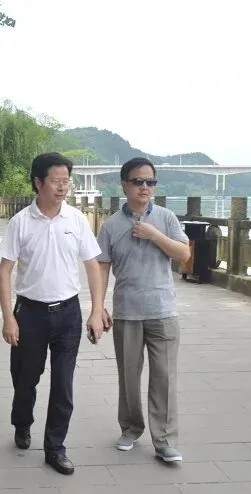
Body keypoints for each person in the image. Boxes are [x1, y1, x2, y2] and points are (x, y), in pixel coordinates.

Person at [0, 153, 106, 475]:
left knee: (63, 385)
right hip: (29, 313)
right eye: (56, 181)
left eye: (66, 181)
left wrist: (97, 309)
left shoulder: (76, 220)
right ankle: (22, 423)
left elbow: (92, 265)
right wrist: (8, 317)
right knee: (25, 379)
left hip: (68, 314)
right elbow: (5, 271)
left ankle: (55, 448)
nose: (62, 187)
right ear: (38, 182)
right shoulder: (21, 222)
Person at [96, 158, 191, 463]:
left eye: (150, 182)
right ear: (124, 185)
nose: (145, 187)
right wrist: (97, 307)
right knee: (128, 377)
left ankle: (165, 440)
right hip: (127, 311)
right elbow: (101, 267)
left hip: (163, 309)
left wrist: (154, 235)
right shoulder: (111, 226)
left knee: (164, 377)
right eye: (138, 181)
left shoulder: (166, 218)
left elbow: (184, 254)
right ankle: (131, 428)